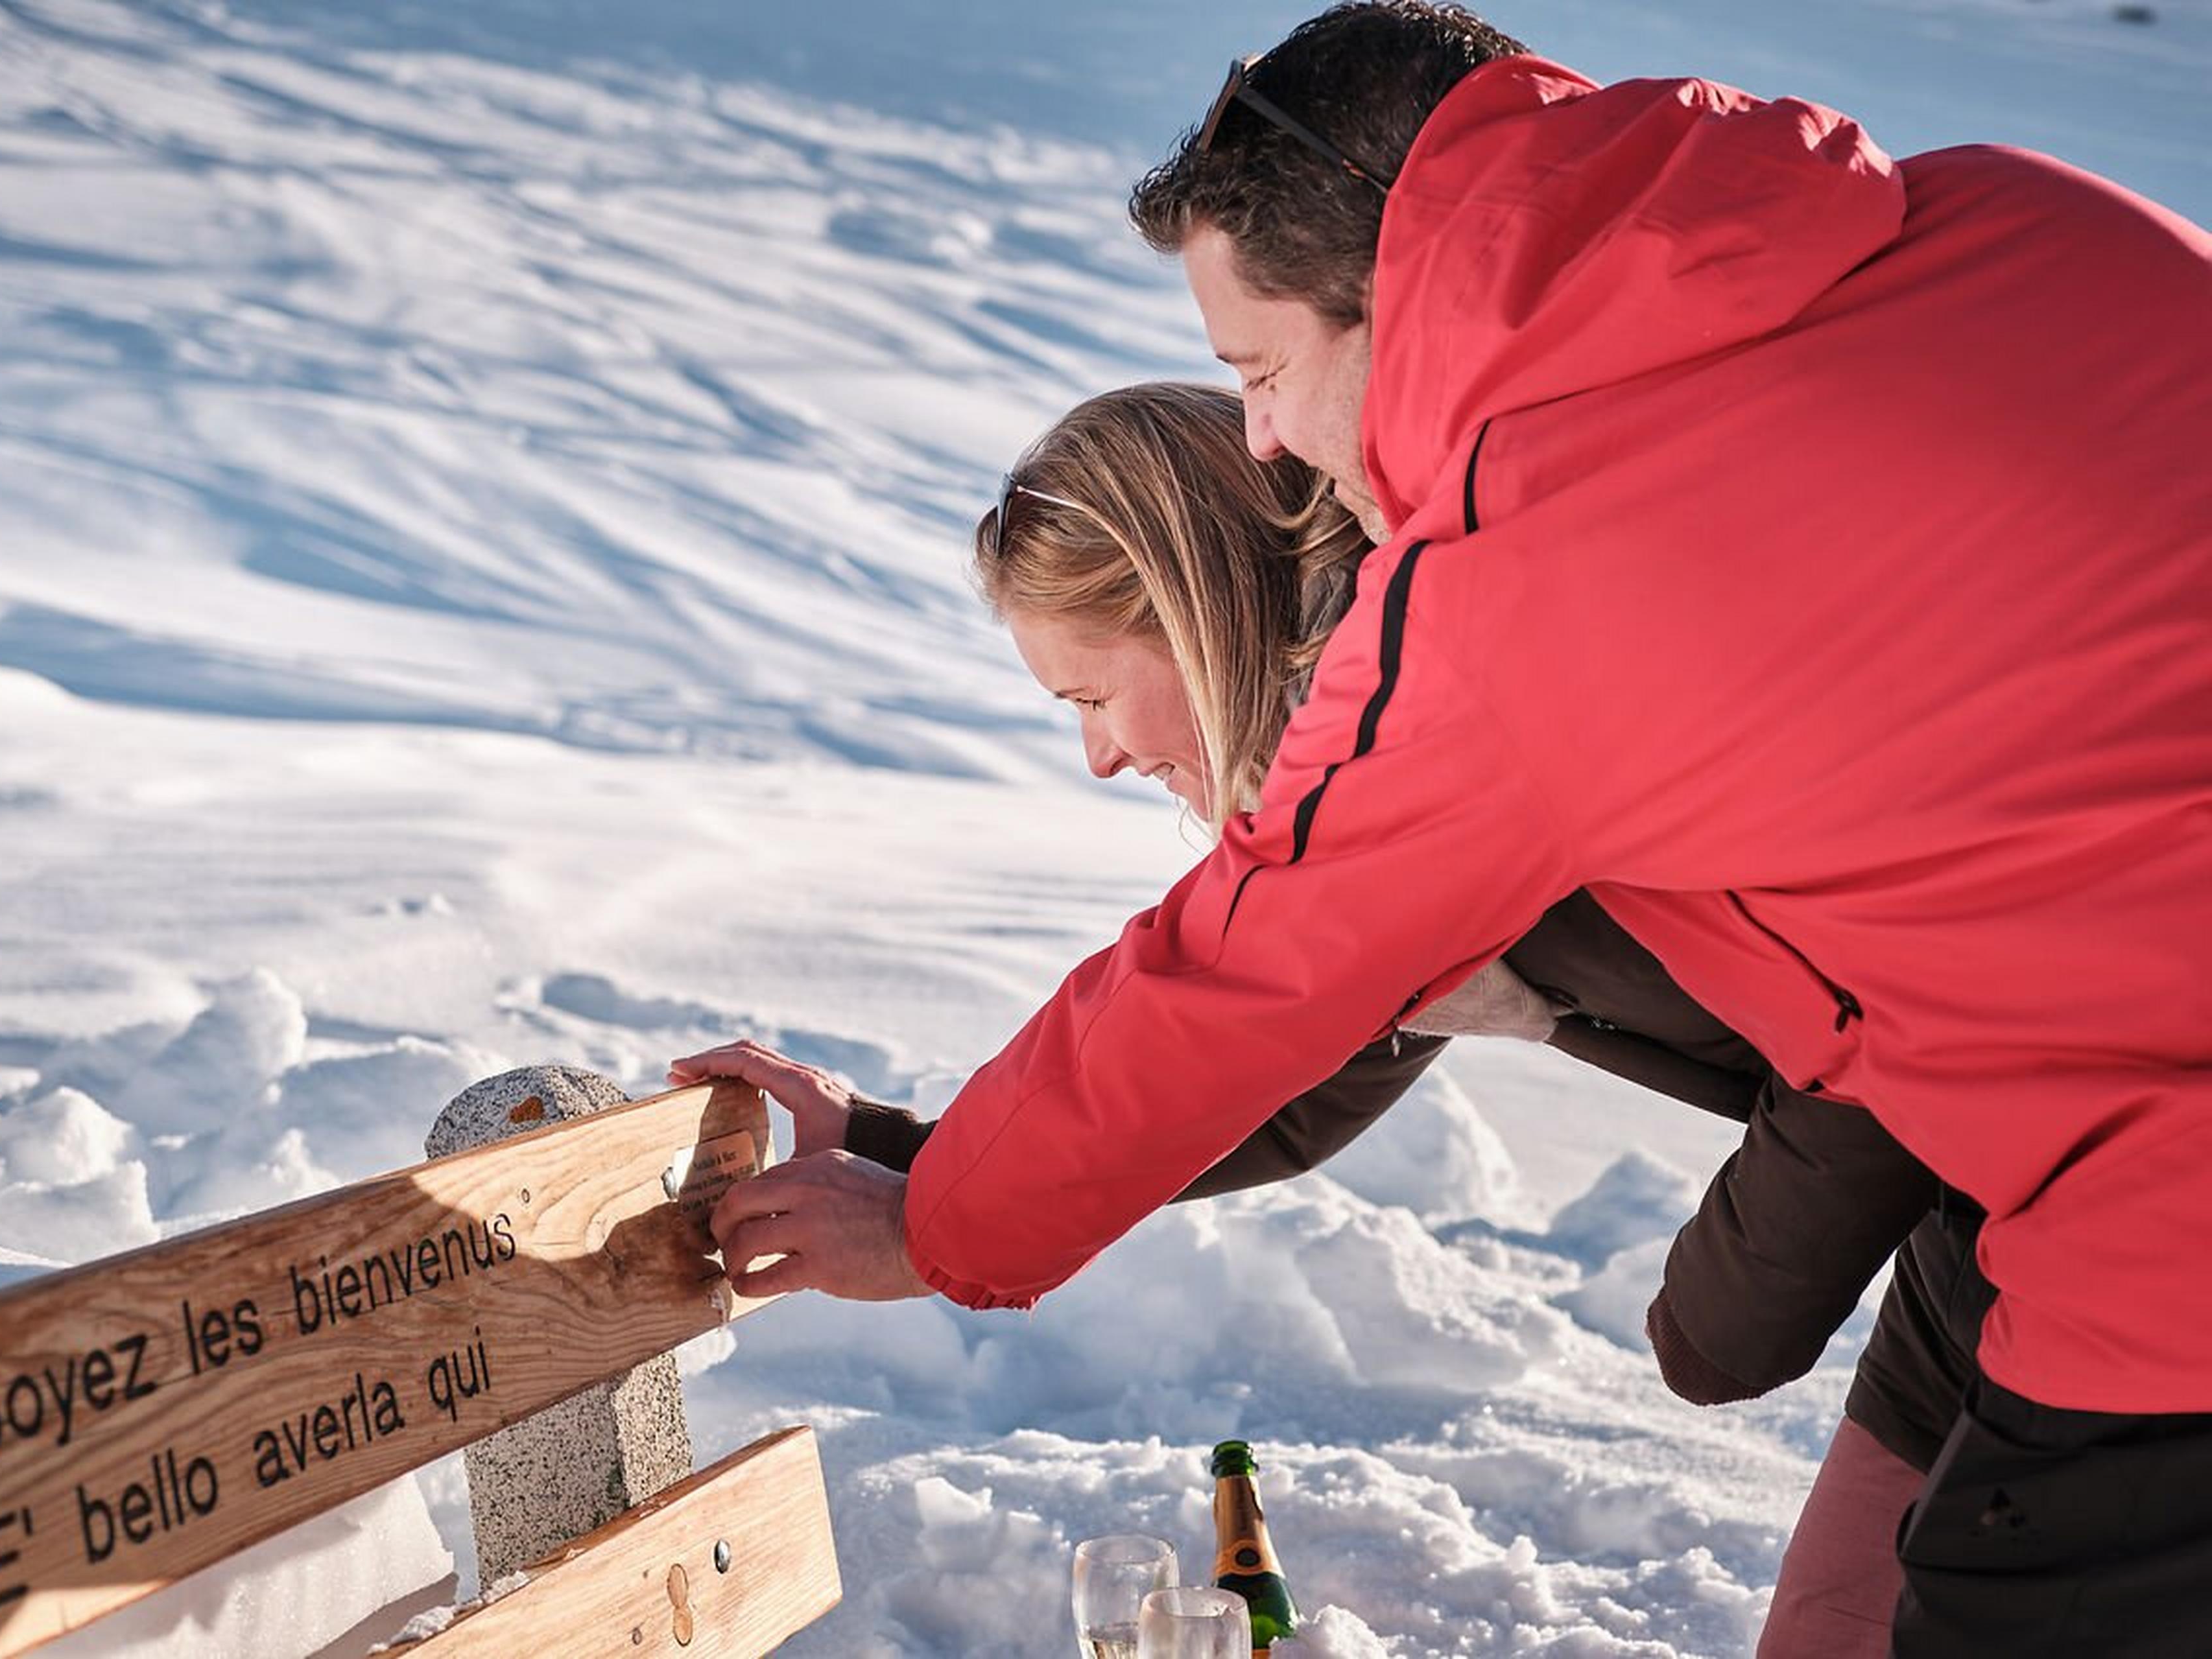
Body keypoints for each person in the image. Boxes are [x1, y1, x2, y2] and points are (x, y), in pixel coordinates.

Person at [708, 8, 2212, 1652]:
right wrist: (912, 1151)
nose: (1265, 437)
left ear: (1392, 284)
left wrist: (936, 1226)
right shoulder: (2002, 215)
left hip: (2143, 1182)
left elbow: (1241, 985)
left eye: (1262, 370)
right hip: (2033, 1152)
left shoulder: (1526, 571)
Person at [685, 382, 1978, 1653]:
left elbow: (1905, 1004)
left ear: (1192, 615)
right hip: (1967, 1231)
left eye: (1092, 697)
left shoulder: (1442, 738)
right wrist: (900, 1152)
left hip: (2083, 1175)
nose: (1101, 757)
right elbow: (1265, 1083)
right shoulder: (1359, 792)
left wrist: (1724, 1313)